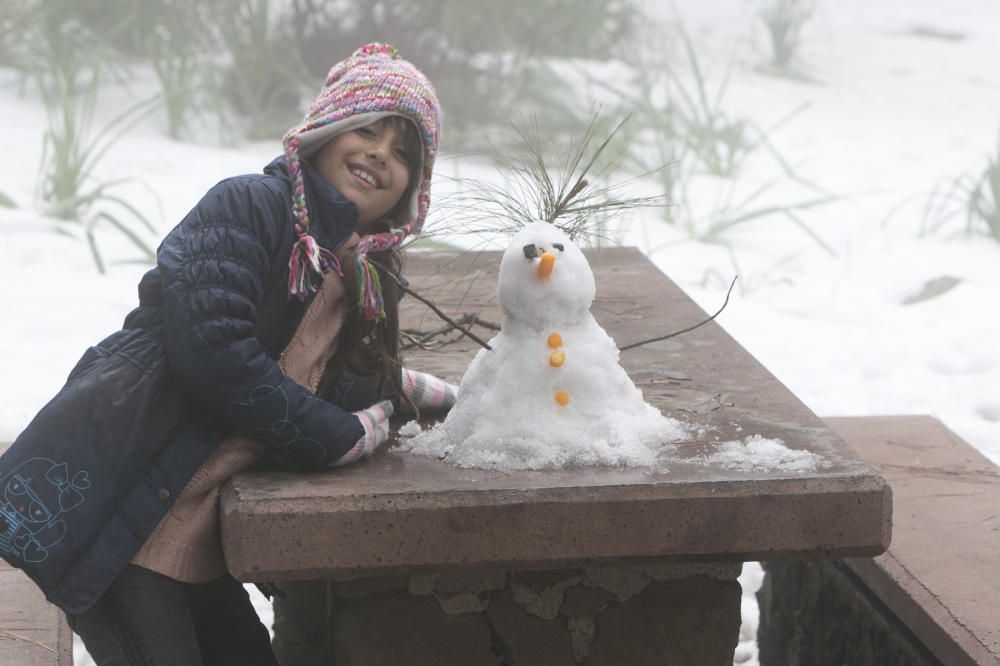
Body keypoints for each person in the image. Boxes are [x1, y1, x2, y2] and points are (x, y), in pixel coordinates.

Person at [0, 42, 456, 665]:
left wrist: (397, 389)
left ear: (413, 188)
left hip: (194, 538)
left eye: (404, 152)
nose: (381, 152)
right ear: (323, 131)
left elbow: (323, 375)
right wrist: (336, 435)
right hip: (124, 518)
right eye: (367, 129)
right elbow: (215, 353)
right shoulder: (249, 208)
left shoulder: (360, 274)